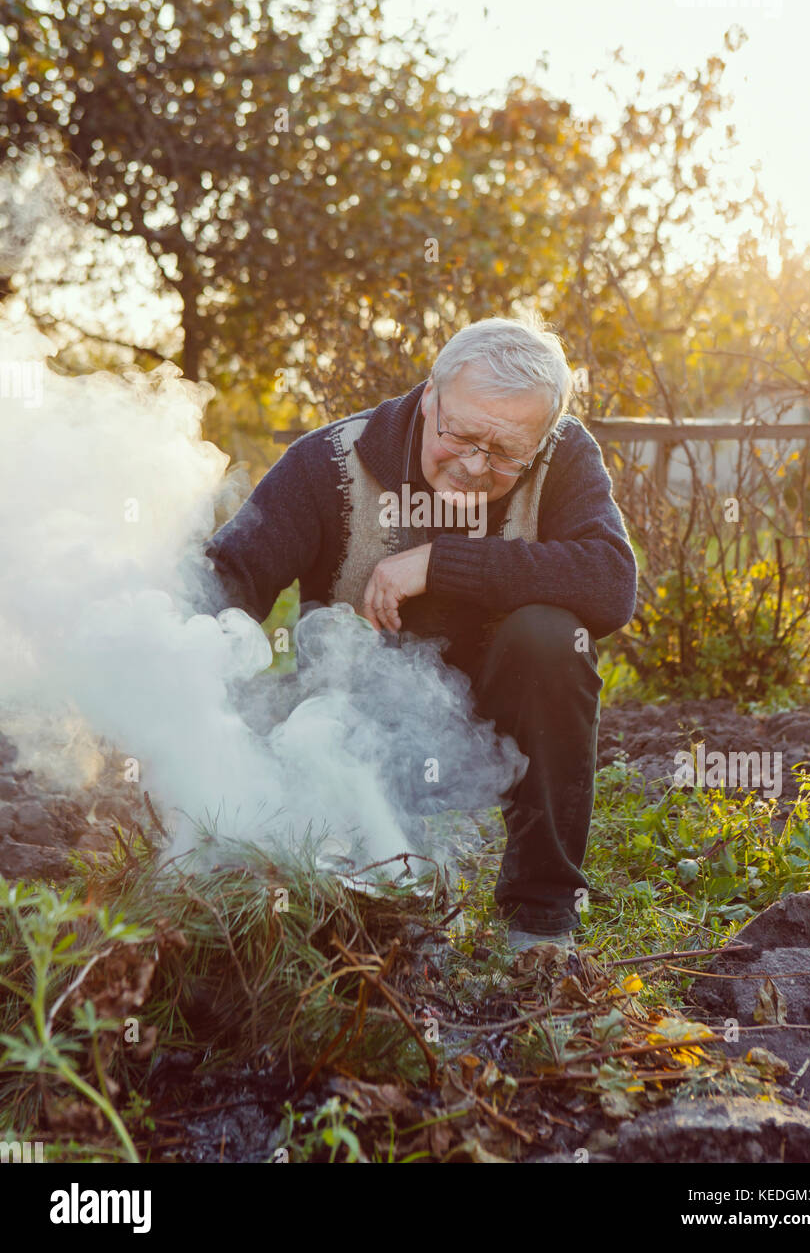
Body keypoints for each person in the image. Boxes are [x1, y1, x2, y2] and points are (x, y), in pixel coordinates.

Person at [203, 316, 638, 950]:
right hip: (360, 723)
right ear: (429, 395)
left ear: (539, 442)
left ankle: (541, 922)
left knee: (552, 637)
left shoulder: (563, 454)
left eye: (504, 453)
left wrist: (439, 563)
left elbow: (610, 582)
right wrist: (180, 655)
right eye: (459, 434)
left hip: (506, 721)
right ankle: (366, 891)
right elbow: (231, 575)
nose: (473, 466)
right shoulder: (328, 460)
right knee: (331, 641)